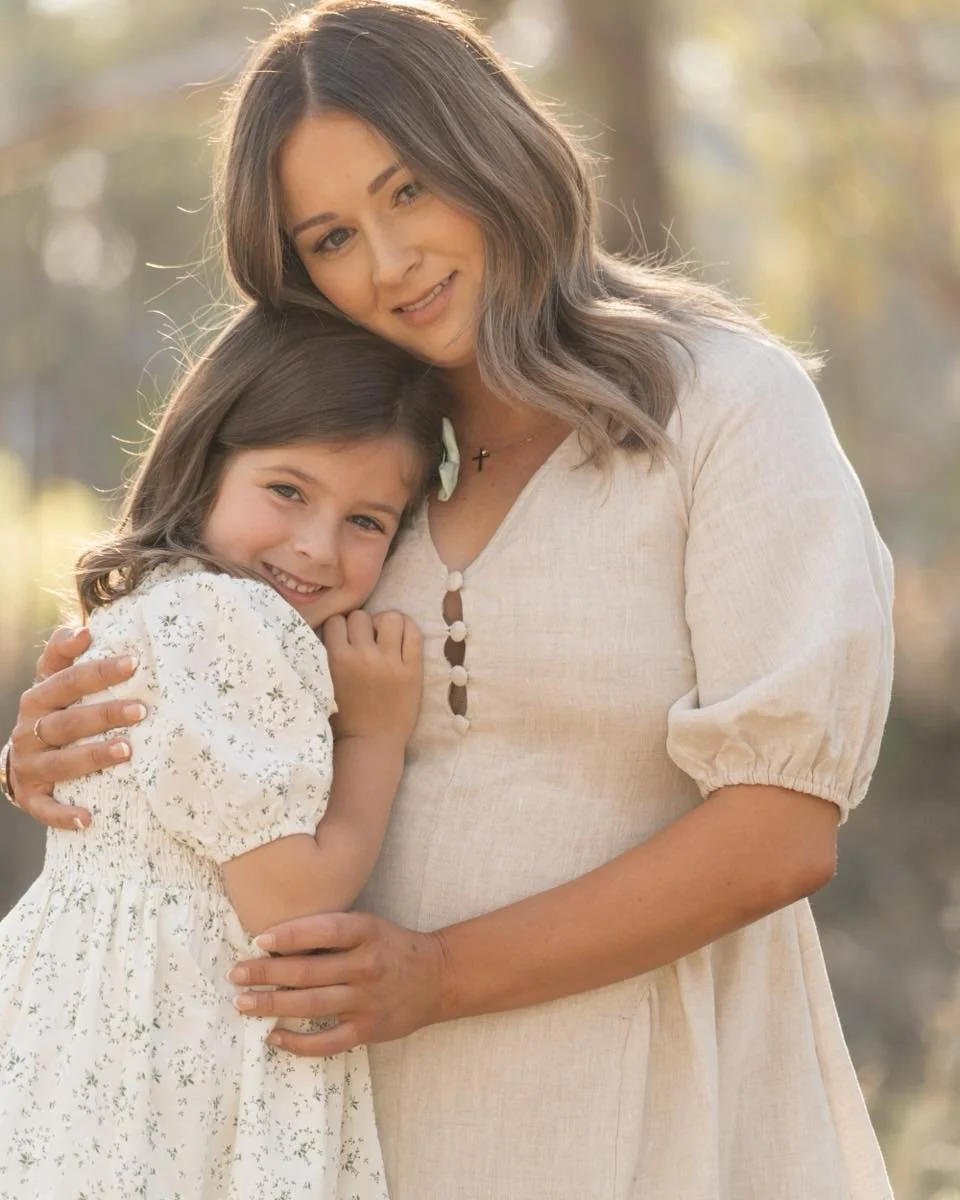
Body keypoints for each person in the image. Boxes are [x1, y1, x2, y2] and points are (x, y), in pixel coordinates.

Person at [2, 2, 896, 1197]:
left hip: (649, 1112)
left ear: (494, 147)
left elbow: (781, 832)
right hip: (336, 1129)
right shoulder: (346, 482)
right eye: (329, 236)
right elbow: (201, 704)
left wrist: (436, 977)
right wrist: (59, 749)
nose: (388, 262)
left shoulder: (725, 409)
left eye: (410, 190)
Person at [0, 301, 448, 1199]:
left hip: (89, 1045)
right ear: (205, 466)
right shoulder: (237, 623)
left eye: (368, 522)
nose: (316, 547)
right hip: (179, 1062)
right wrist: (375, 735)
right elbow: (293, 902)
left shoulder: (152, 608)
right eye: (287, 491)